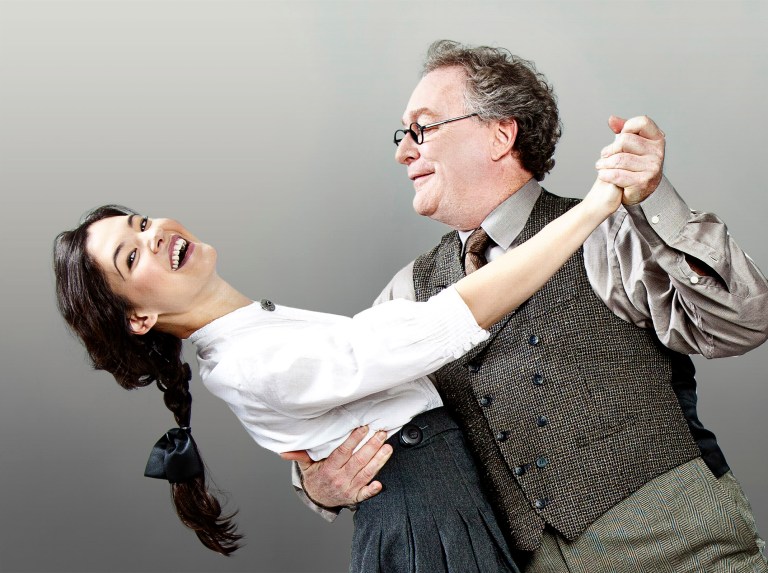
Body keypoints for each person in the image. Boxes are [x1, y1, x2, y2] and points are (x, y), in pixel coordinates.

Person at [294, 40, 768, 572]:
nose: (404, 151)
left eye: (422, 129)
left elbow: (743, 324)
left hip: (686, 556)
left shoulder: (607, 230)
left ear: (500, 133)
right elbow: (337, 405)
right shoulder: (407, 292)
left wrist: (654, 199)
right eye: (404, 135)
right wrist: (320, 484)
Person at [53, 173, 622, 570]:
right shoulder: (248, 365)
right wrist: (597, 205)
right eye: (132, 257)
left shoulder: (255, 332)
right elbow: (437, 328)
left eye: (141, 222)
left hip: (448, 505)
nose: (152, 236)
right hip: (427, 520)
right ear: (140, 317)